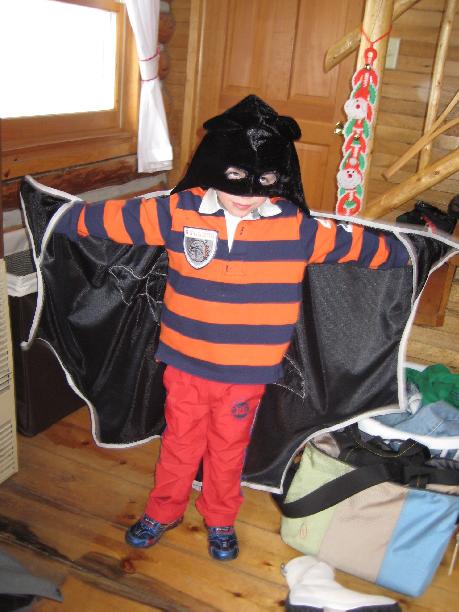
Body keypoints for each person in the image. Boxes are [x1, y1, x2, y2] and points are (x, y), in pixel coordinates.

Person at [56, 95, 409, 561]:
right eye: (236, 177)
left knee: (228, 449)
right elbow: (115, 221)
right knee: (179, 444)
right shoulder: (177, 212)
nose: (247, 195)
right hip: (186, 364)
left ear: (280, 179)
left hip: (246, 374)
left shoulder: (296, 229)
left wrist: (408, 251)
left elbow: (356, 245)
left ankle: (220, 517)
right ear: (214, 167)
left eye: (264, 183)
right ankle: (164, 510)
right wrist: (60, 217)